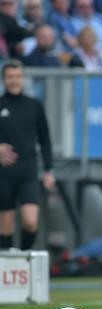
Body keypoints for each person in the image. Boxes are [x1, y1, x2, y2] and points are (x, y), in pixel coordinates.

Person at [0, 59, 55, 250]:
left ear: (22, 78)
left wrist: (48, 169)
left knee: (30, 221)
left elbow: (45, 139)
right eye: (10, 77)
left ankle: (24, 257)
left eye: (17, 76)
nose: (14, 80)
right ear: (4, 79)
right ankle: (6, 270)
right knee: (5, 228)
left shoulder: (34, 105)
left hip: (28, 171)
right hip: (4, 173)